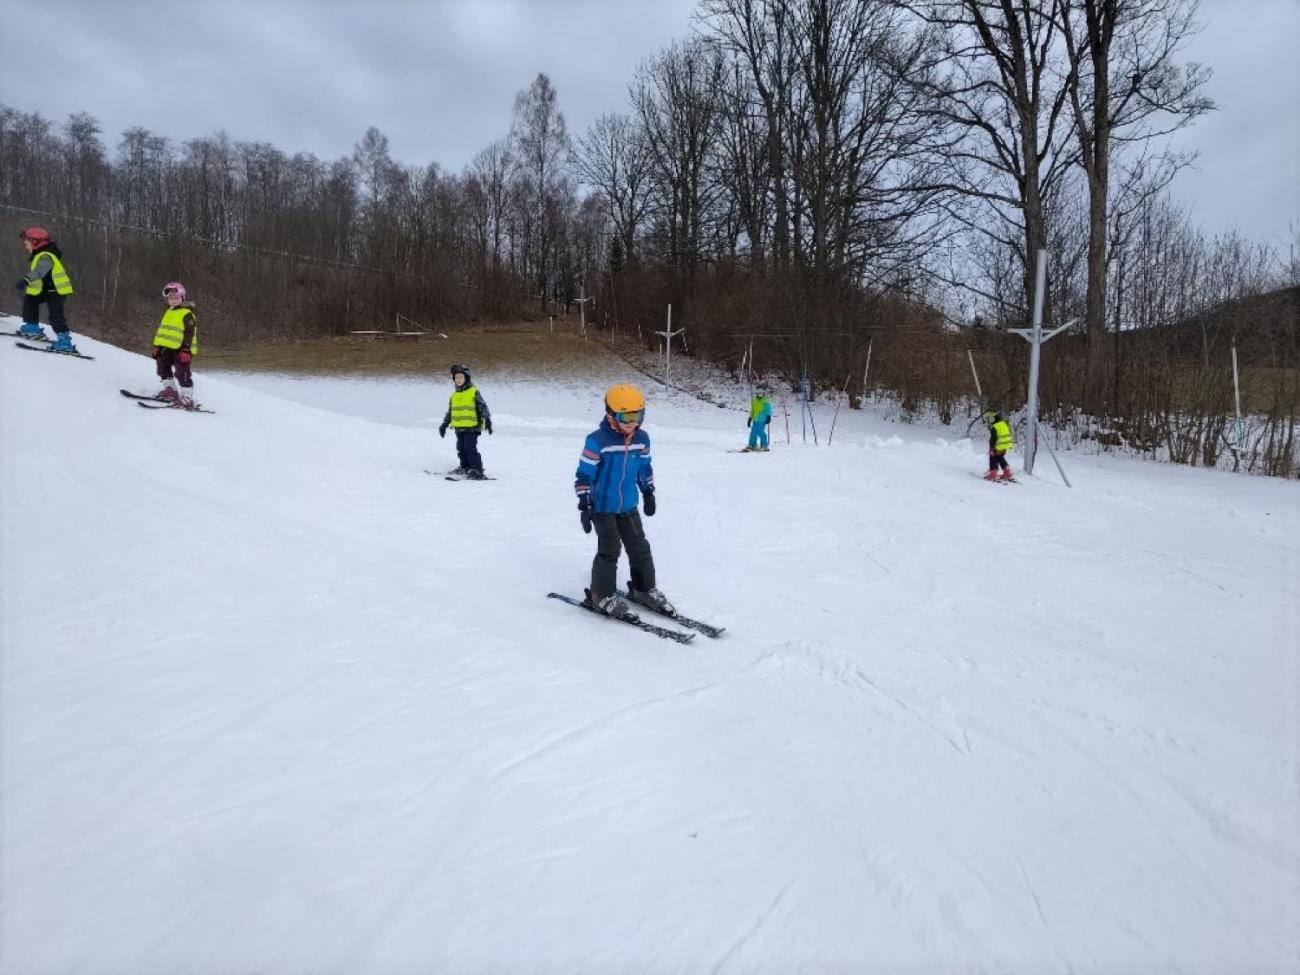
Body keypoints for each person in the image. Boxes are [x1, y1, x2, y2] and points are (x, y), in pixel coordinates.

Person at [574, 384, 674, 618]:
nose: (632, 422)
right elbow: (584, 474)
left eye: (636, 415)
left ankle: (644, 589)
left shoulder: (642, 439)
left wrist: (648, 492)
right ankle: (601, 595)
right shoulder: (597, 441)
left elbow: (643, 468)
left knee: (640, 548)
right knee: (610, 549)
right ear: (610, 414)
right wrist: (585, 504)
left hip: (628, 505)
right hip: (602, 507)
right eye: (625, 416)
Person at [15, 227, 77, 353]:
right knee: (30, 299)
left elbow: (40, 271)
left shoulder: (46, 255)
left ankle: (64, 341)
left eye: (26, 242)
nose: (25, 245)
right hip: (47, 289)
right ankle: (32, 327)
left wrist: (26, 280)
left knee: (55, 315)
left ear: (35, 242)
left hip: (56, 290)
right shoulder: (39, 255)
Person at [438, 364, 492, 478]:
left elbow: (483, 406)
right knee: (461, 449)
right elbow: (451, 411)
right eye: (456, 377)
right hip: (459, 427)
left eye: (461, 377)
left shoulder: (473, 391)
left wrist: (487, 419)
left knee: (470, 448)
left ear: (466, 378)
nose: (458, 380)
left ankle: (476, 469)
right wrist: (444, 424)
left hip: (472, 427)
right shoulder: (454, 395)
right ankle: (464, 467)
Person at [151, 282, 199, 408]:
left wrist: (186, 349)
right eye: (170, 298)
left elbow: (190, 332)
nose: (173, 301)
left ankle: (187, 397)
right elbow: (163, 332)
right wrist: (159, 347)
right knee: (162, 365)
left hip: (182, 349)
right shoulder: (168, 312)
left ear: (182, 298)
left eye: (176, 298)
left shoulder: (186, 314)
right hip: (168, 347)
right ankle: (171, 390)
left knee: (182, 371)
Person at [984, 409, 1015, 481]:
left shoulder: (995, 427)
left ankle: (993, 473)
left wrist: (991, 449)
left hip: (998, 445)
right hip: (1005, 445)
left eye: (989, 419)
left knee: (993, 458)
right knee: (1000, 458)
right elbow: (1009, 433)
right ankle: (1007, 471)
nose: (988, 421)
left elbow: (993, 439)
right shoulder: (1003, 424)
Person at [746, 386, 773, 451]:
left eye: (761, 393)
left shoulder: (765, 401)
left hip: (762, 420)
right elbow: (752, 411)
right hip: (755, 420)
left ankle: (764, 445)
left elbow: (768, 410)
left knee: (760, 432)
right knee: (753, 433)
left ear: (764, 393)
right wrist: (750, 418)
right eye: (758, 393)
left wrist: (768, 417)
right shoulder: (755, 401)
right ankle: (752, 445)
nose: (759, 394)